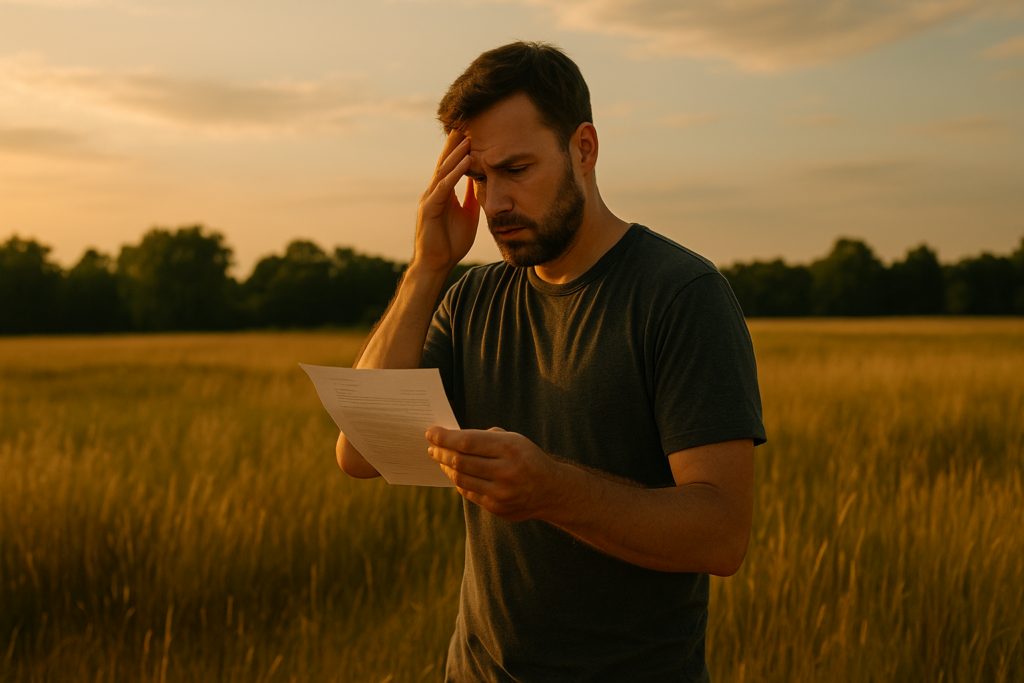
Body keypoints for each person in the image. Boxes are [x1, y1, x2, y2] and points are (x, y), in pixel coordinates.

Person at [336, 41, 766, 682]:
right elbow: (360, 452)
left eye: (516, 169)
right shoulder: (473, 297)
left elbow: (721, 534)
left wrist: (550, 491)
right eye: (479, 179)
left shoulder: (679, 294)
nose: (494, 203)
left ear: (584, 149)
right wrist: (427, 269)